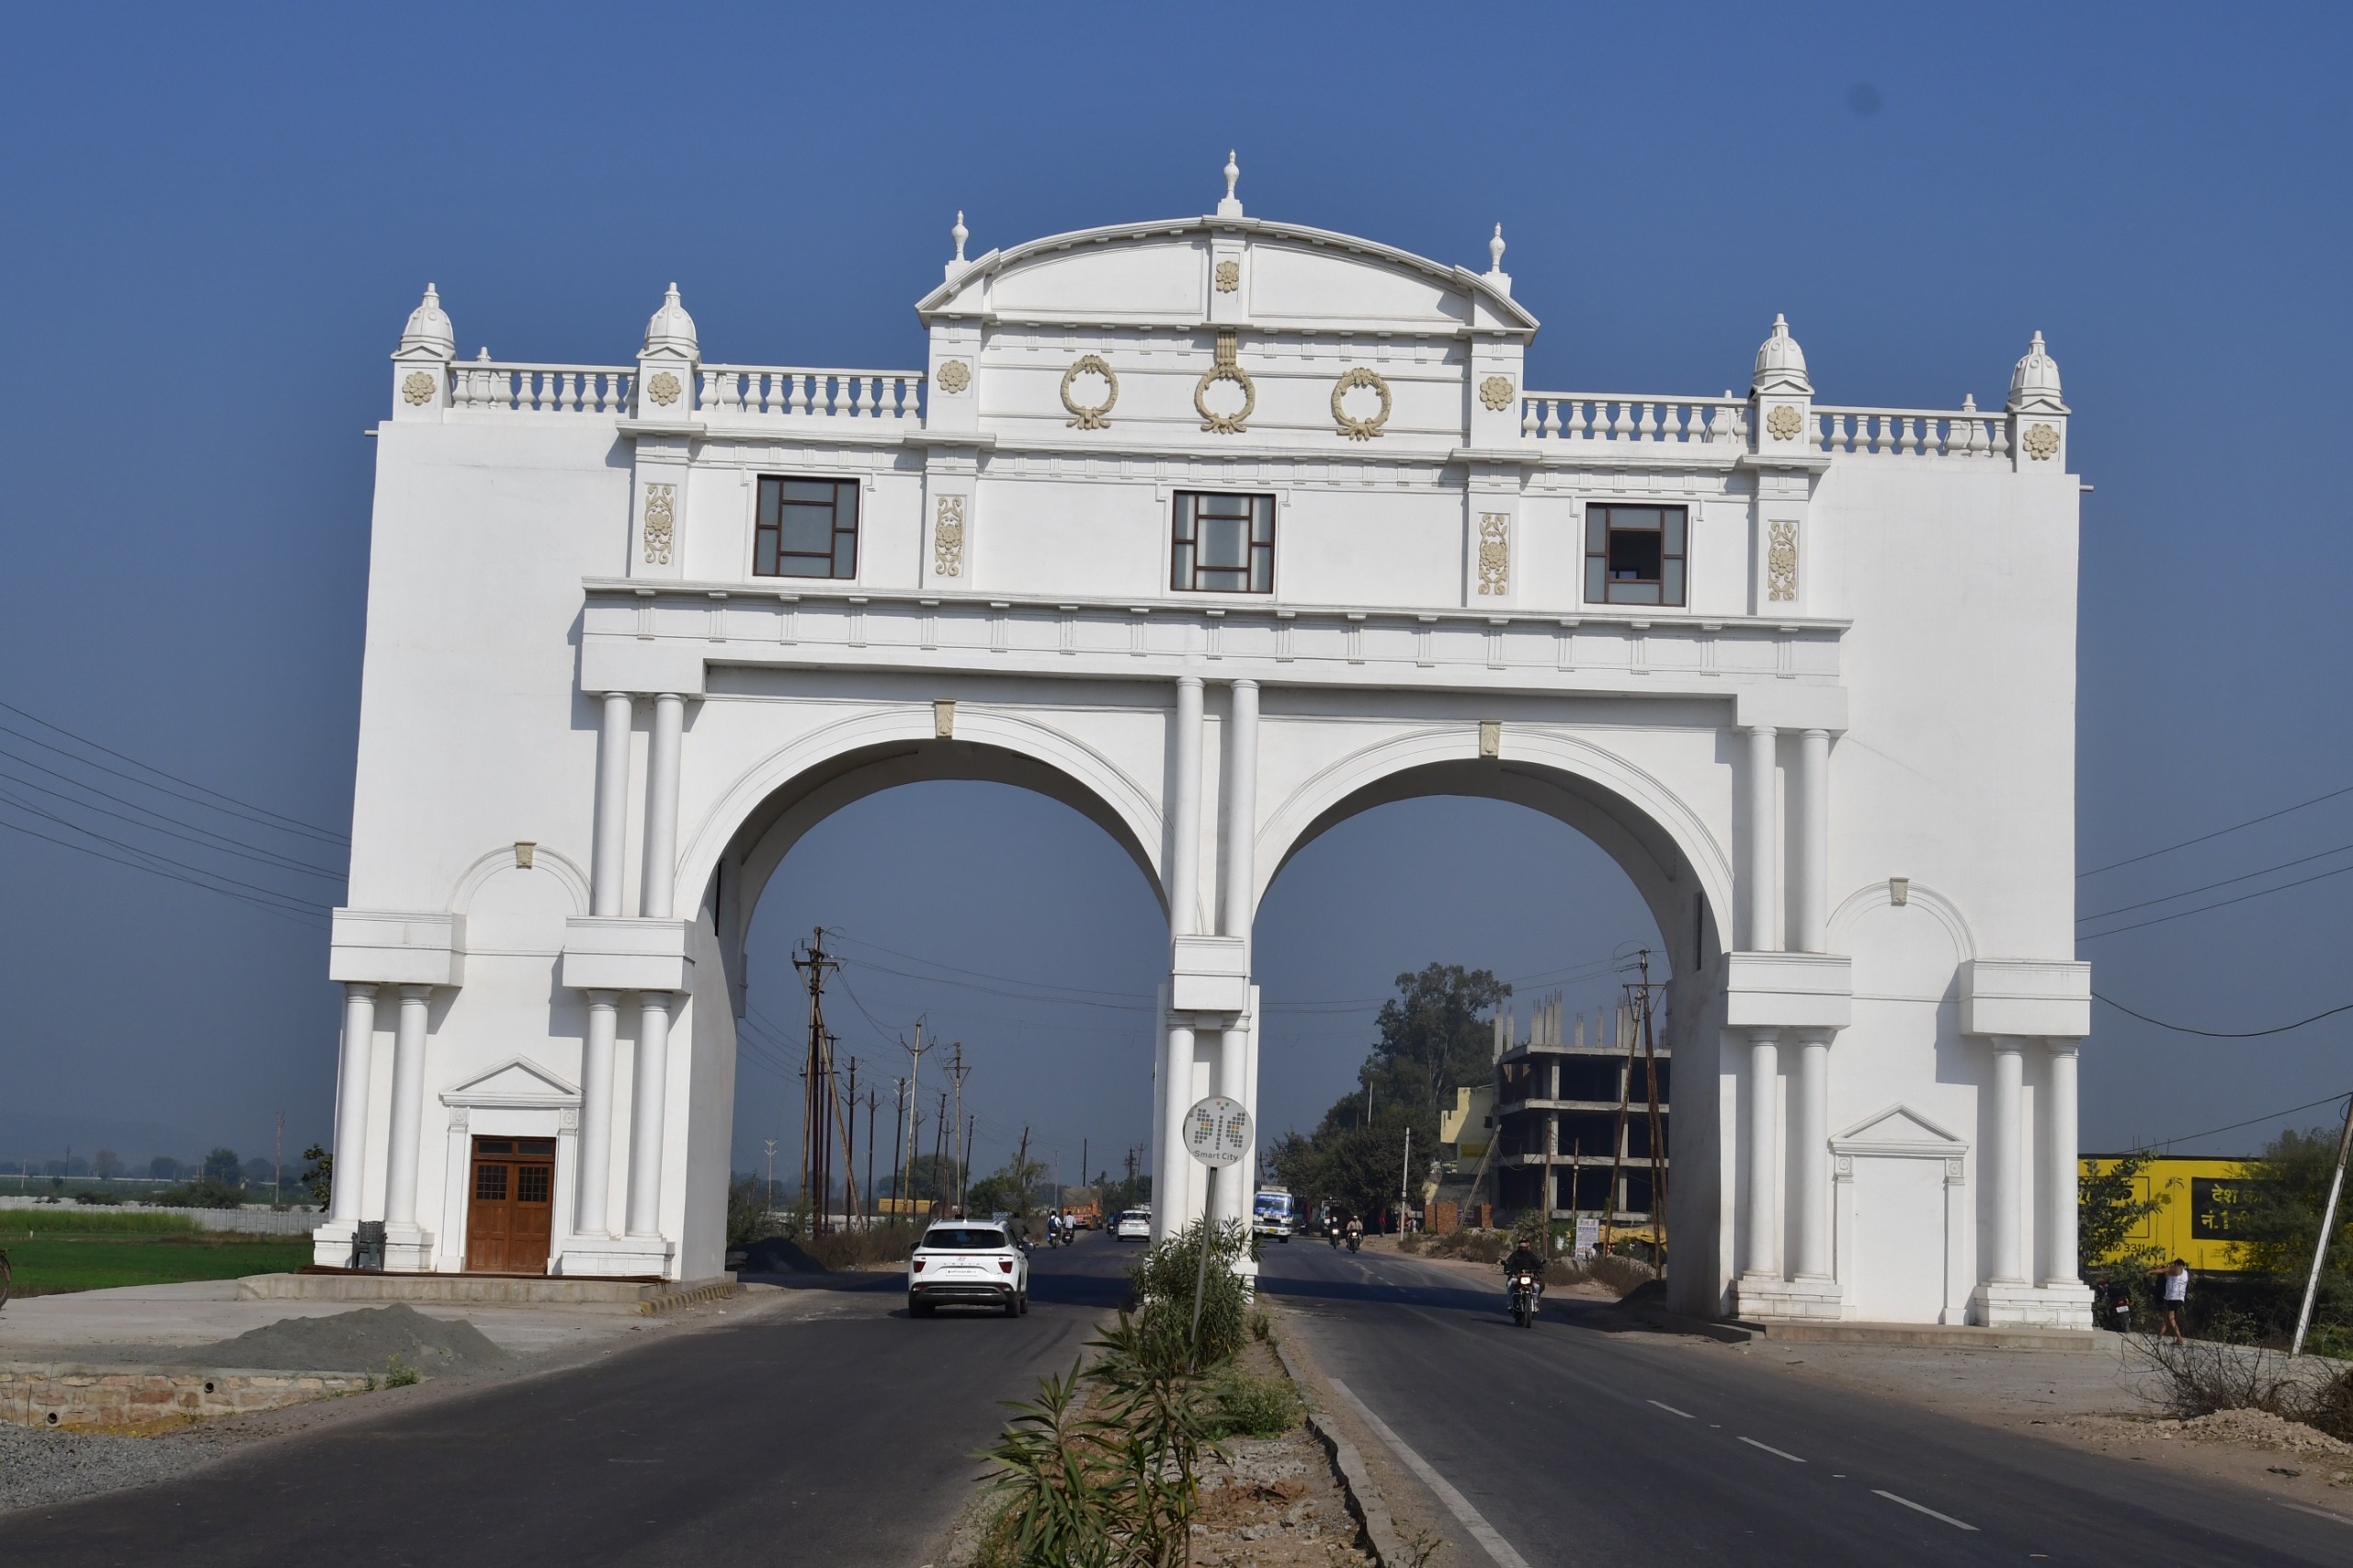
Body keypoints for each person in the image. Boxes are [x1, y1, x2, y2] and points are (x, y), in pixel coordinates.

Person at [2147, 1257, 2190, 1344]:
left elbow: (2164, 1270)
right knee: (2167, 1318)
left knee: (2171, 1319)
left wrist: (2150, 1272)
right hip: (2178, 1298)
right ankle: (2160, 1335)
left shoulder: (2177, 1268)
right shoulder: (2185, 1273)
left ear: (2177, 1264)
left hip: (2173, 1298)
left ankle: (2179, 1338)